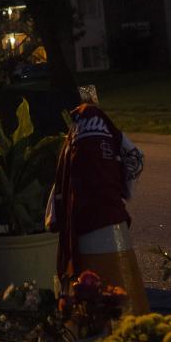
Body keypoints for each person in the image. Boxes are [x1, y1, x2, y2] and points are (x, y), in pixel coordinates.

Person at [46, 92, 149, 314]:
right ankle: (130, 318)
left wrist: (54, 215)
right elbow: (136, 156)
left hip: (80, 223)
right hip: (112, 216)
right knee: (126, 298)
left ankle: (86, 320)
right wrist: (124, 187)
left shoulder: (72, 140)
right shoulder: (107, 131)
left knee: (87, 292)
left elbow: (61, 180)